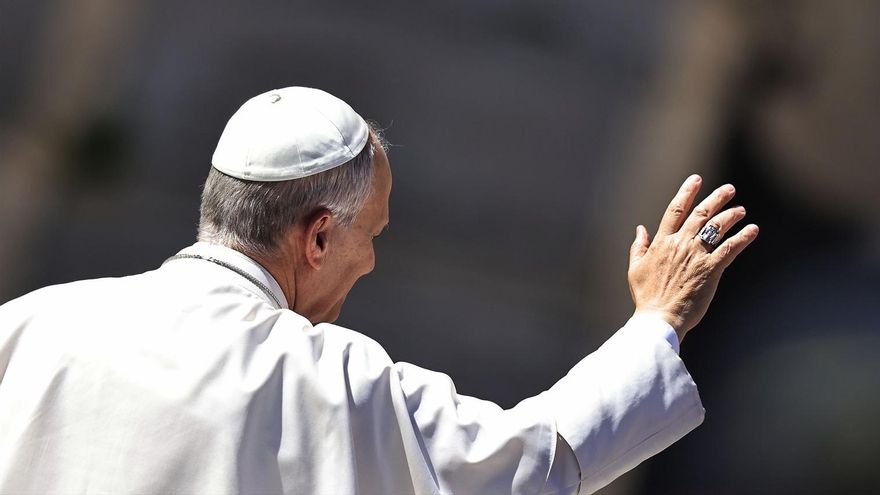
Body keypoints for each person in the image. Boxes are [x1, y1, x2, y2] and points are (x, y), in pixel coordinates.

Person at [0, 87, 758, 494]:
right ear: (320, 235)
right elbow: (534, 462)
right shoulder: (332, 380)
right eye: (373, 234)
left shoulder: (29, 325)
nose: (369, 264)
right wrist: (657, 318)